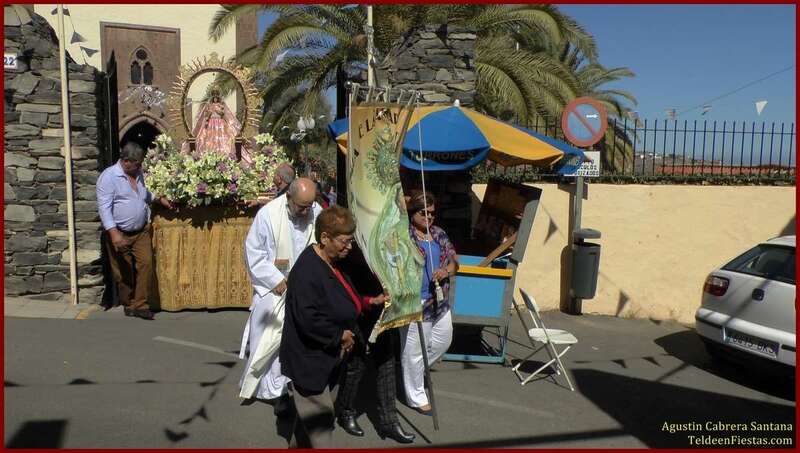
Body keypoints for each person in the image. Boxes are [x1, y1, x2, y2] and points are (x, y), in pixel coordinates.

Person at [279, 206, 366, 448]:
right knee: (322, 423)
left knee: (308, 429)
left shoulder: (333, 262)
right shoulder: (307, 271)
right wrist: (339, 335)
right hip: (309, 361)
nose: (349, 247)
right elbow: (309, 319)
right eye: (344, 241)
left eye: (351, 241)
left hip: (327, 359)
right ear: (325, 237)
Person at [239, 178, 322, 407]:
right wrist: (274, 278)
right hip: (274, 287)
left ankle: (286, 387)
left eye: (309, 206)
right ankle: (267, 389)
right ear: (288, 198)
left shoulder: (316, 212)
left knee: (296, 339)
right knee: (267, 336)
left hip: (306, 288)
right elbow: (253, 251)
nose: (306, 211)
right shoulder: (268, 215)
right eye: (301, 206)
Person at [334, 246, 416, 444]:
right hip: (359, 297)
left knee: (386, 360)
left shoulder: (391, 225)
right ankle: (345, 411)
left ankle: (389, 421)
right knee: (357, 361)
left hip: (386, 300)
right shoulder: (353, 237)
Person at [96, 142, 173, 320]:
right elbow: (104, 208)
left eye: (140, 163)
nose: (140, 166)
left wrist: (158, 199)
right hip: (120, 231)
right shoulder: (108, 177)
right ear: (126, 161)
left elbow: (142, 193)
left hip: (141, 231)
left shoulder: (136, 173)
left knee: (146, 264)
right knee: (122, 272)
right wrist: (114, 233)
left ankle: (141, 305)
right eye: (137, 163)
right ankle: (129, 303)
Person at [400, 191, 459, 415]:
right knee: (414, 350)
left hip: (439, 300)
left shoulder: (439, 233)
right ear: (413, 213)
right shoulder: (404, 234)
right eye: (423, 212)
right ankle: (416, 395)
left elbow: (455, 260)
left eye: (432, 213)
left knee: (443, 340)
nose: (429, 217)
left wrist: (446, 270)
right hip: (417, 301)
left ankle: (414, 371)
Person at [190, 89, 241, 160]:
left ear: (218, 99)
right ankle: (210, 151)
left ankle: (222, 152)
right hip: (211, 123)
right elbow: (206, 114)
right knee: (210, 137)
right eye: (214, 98)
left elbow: (223, 113)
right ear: (212, 99)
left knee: (221, 136)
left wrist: (218, 111)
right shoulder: (209, 105)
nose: (215, 100)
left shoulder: (221, 105)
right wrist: (210, 113)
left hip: (220, 123)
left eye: (216, 98)